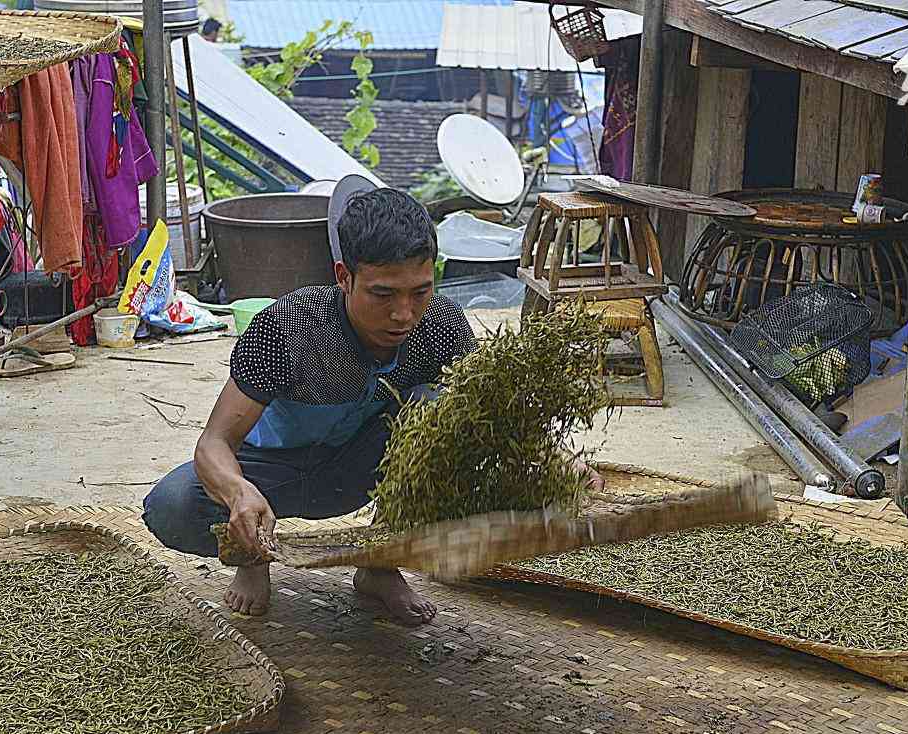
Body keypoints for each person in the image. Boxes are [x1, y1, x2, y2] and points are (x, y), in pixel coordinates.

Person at [143, 186, 601, 626]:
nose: (403, 313)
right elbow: (214, 443)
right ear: (344, 277)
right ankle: (252, 556)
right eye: (383, 295)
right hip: (271, 472)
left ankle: (379, 566)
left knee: (440, 407)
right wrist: (239, 494)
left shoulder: (441, 327)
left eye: (419, 292)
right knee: (172, 504)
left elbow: (492, 414)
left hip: (358, 471)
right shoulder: (287, 327)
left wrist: (553, 461)